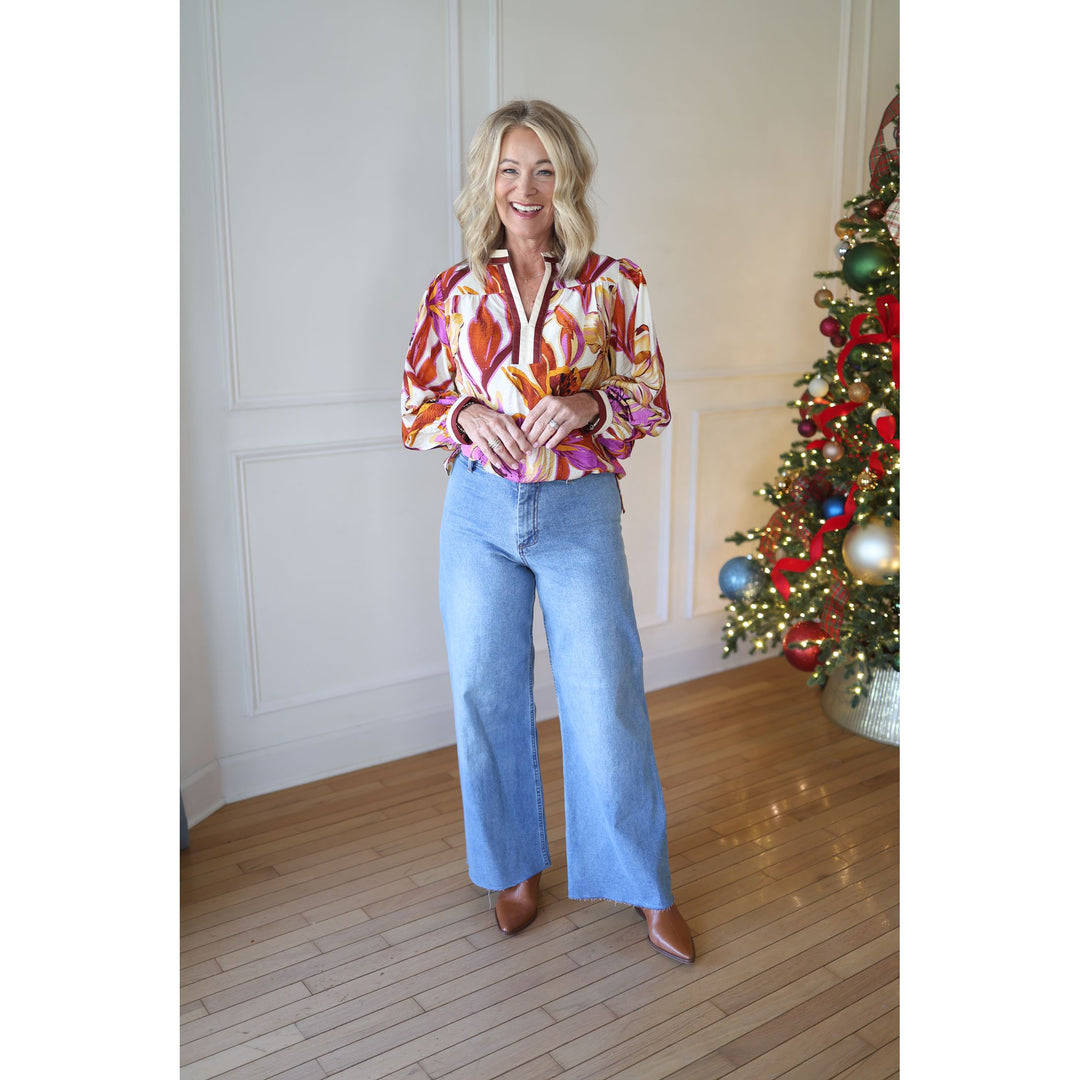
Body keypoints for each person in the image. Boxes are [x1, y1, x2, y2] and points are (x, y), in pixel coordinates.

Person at [401, 100, 694, 964]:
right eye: (507, 169)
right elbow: (417, 405)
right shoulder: (453, 291)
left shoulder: (615, 282)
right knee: (485, 698)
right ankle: (515, 869)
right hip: (479, 514)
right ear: (485, 183)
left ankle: (644, 886)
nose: (524, 188)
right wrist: (462, 411)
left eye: (541, 169)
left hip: (577, 511)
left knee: (604, 700)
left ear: (566, 178)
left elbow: (651, 394)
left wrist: (590, 400)